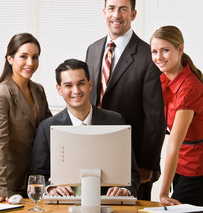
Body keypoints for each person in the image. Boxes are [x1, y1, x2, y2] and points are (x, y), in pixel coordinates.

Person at [85, 0, 166, 200]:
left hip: (132, 162)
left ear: (133, 14)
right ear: (104, 12)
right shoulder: (92, 50)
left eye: (123, 9)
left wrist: (146, 164)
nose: (116, 15)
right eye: (111, 8)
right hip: (93, 157)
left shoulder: (148, 57)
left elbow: (156, 119)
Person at [29, 59, 141, 197]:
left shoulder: (115, 121)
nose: (76, 91)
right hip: (63, 205)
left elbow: (132, 173)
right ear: (59, 89)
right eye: (68, 85)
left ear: (90, 84)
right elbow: (37, 176)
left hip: (107, 203)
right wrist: (50, 189)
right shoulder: (46, 128)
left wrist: (125, 189)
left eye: (81, 84)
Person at [150, 25, 203, 207]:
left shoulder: (188, 89)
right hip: (181, 168)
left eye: (165, 50)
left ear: (180, 49)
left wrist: (163, 192)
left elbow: (173, 144)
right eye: (154, 51)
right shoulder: (165, 78)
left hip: (200, 172)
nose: (158, 57)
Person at [0, 33, 52, 203]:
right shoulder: (0, 95)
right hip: (9, 180)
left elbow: (49, 128)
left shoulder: (38, 90)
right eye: (23, 56)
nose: (30, 63)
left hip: (36, 178)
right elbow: (0, 141)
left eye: (35, 57)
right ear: (10, 59)